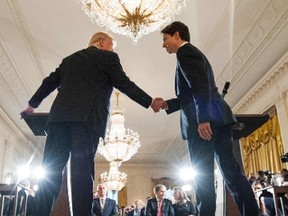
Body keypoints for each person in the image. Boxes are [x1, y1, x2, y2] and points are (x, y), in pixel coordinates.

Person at [20, 31, 163, 216]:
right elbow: (124, 83)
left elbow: (49, 82)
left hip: (58, 121)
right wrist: (149, 101)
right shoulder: (108, 57)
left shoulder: (69, 59)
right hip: (87, 121)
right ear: (102, 42)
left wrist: (32, 104)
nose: (112, 49)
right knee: (81, 173)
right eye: (111, 45)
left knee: (50, 171)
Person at [153, 21, 260, 216]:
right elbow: (192, 92)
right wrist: (167, 104)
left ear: (177, 35)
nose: (163, 44)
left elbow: (200, 85)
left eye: (165, 39)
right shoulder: (191, 53)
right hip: (219, 118)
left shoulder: (184, 52)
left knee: (202, 179)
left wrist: (203, 119)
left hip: (204, 123)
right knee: (232, 174)